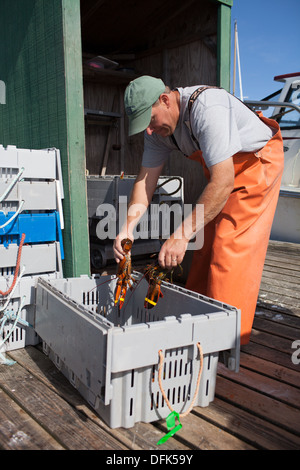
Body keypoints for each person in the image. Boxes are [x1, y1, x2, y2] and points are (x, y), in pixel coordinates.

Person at [113, 75, 284, 345]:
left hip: (256, 165)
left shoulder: (207, 108)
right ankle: (197, 326)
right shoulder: (158, 131)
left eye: (151, 120)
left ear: (166, 100)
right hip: (222, 175)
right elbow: (145, 182)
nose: (148, 130)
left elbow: (223, 181)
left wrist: (180, 236)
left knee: (229, 248)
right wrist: (127, 227)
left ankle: (226, 344)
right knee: (204, 247)